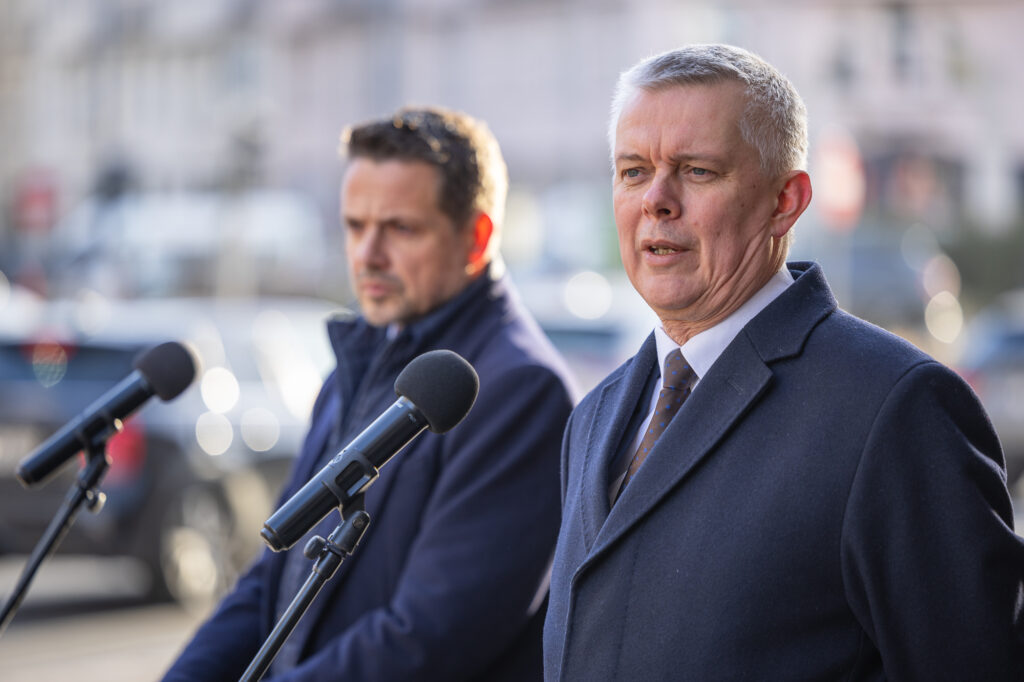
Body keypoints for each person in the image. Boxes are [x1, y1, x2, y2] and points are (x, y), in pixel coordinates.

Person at [543, 44, 1024, 680]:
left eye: (697, 171)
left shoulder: (895, 409)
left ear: (785, 202)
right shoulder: (596, 415)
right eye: (633, 171)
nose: (655, 200)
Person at [164, 106, 576, 681]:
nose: (367, 254)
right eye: (355, 226)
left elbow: (432, 635)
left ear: (477, 237)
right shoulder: (359, 365)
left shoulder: (520, 388)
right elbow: (273, 579)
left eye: (400, 228)